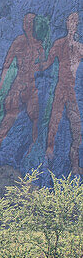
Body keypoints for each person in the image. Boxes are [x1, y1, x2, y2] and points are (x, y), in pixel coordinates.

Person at [0, 13, 45, 164]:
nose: (27, 25)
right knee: (8, 119)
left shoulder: (39, 45)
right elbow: (6, 64)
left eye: (30, 22)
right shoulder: (19, 41)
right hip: (18, 85)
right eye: (25, 22)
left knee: (35, 119)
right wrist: (0, 85)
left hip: (32, 87)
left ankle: (34, 155)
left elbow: (43, 67)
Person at [42, 12, 83, 175]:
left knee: (77, 127)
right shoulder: (59, 44)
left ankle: (75, 165)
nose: (73, 23)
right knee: (54, 123)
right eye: (70, 20)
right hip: (61, 89)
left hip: (71, 91)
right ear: (66, 23)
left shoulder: (80, 48)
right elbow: (47, 63)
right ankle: (46, 160)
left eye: (75, 21)